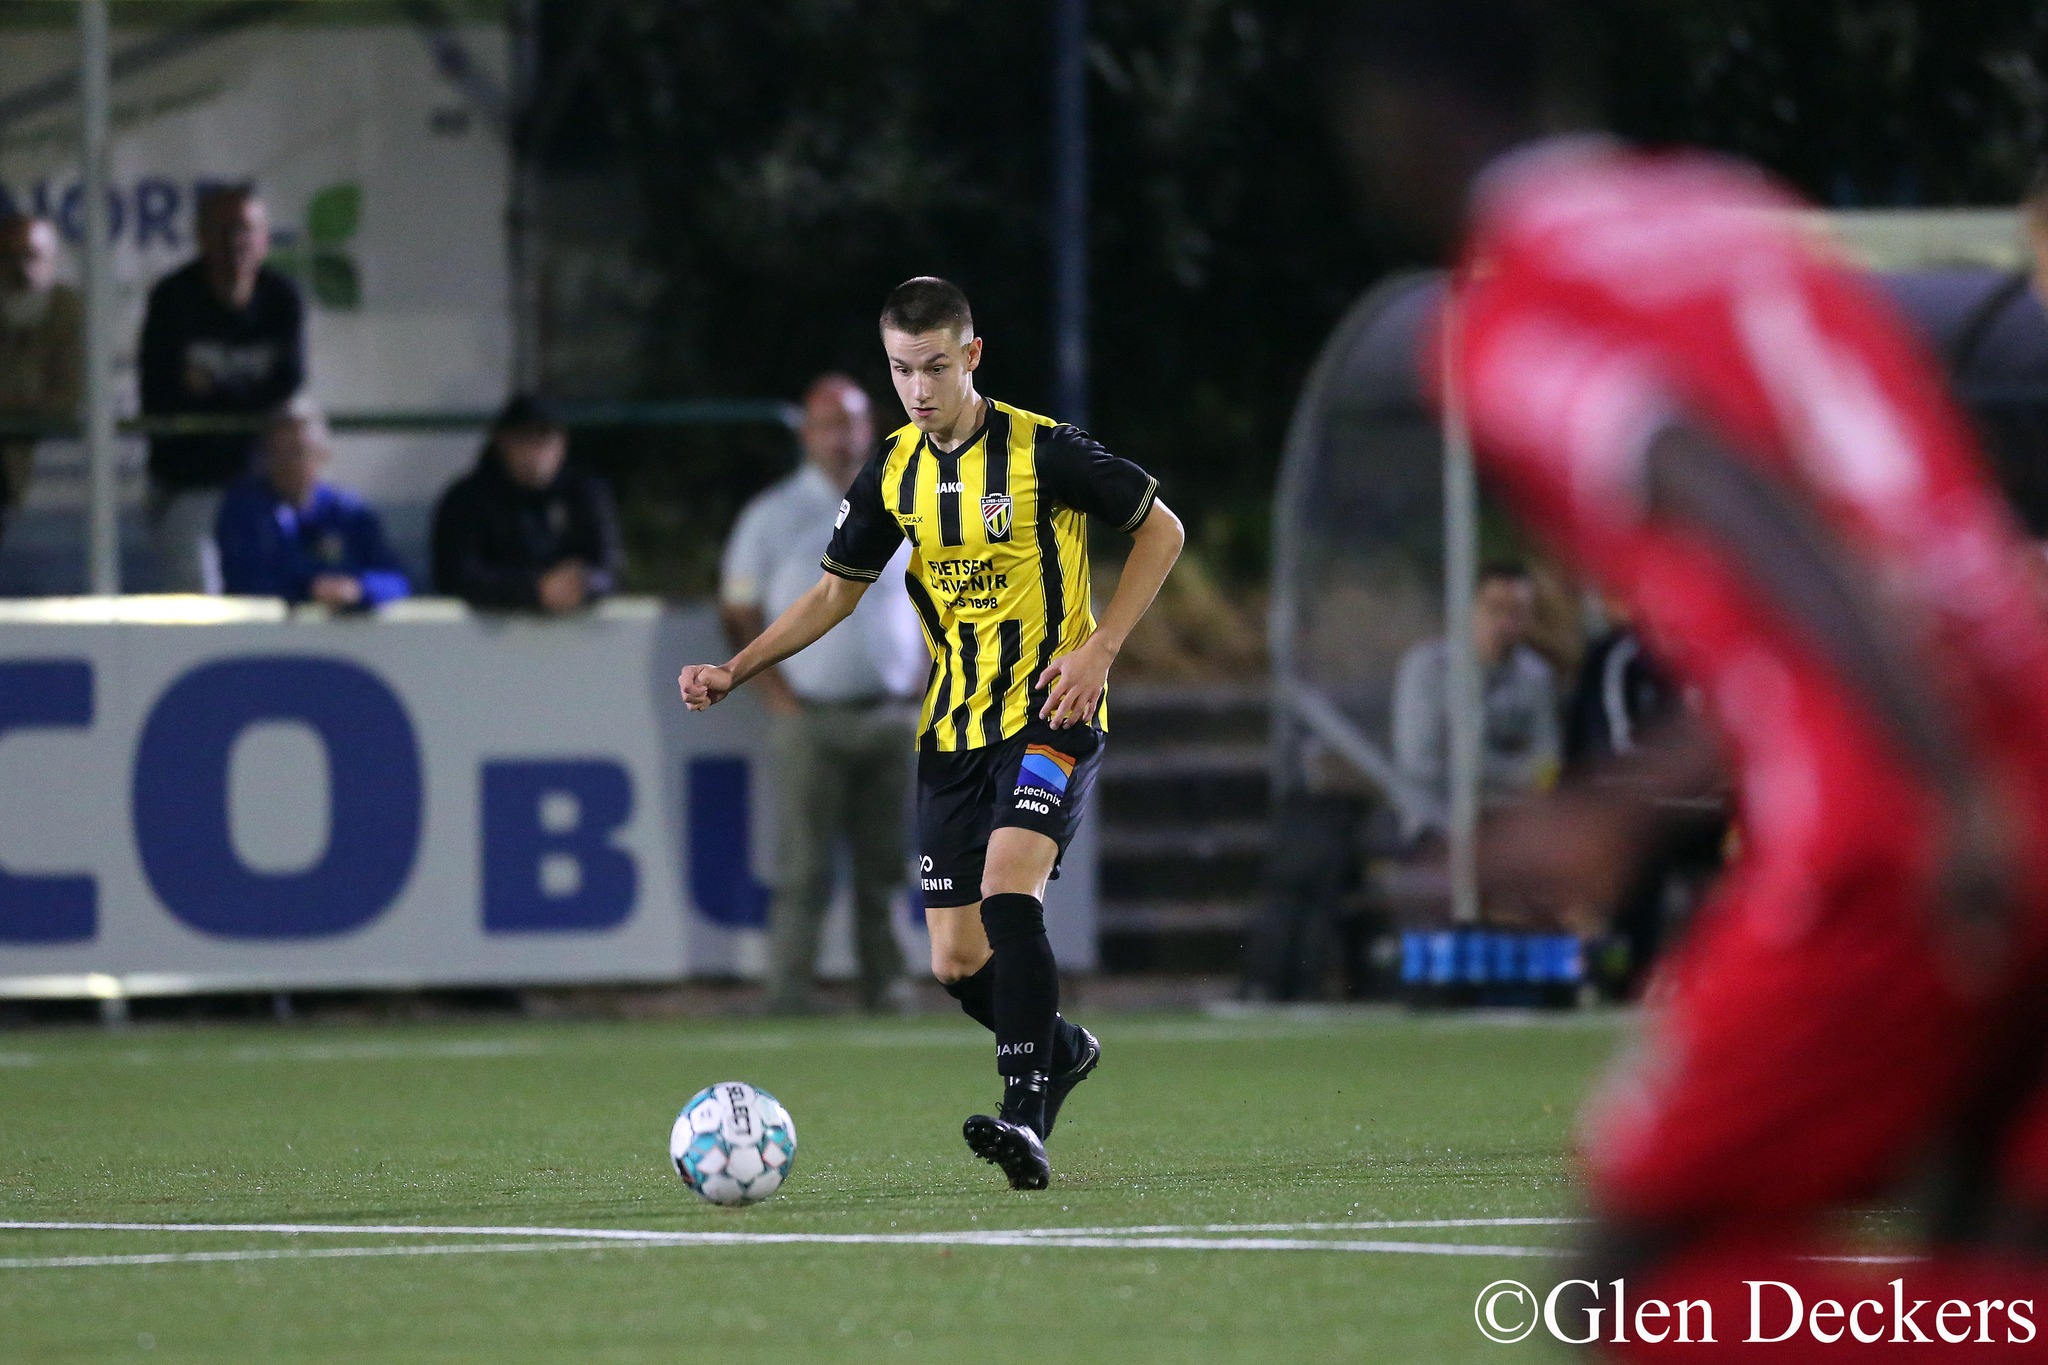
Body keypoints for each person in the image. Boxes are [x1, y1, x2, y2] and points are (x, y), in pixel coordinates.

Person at [1328, 3, 2048, 1352]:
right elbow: (1898, 535)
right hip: (2019, 729)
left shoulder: (1510, 309)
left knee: (1620, 1283)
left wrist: (1947, 788)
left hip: (1906, 819)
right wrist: (1640, 791)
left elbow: (1720, 480)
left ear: (1402, 122)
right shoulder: (1734, 210)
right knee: (1982, 1240)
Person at [679, 277, 1185, 1190]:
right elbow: (836, 591)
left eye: (936, 367)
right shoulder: (892, 469)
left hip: (1051, 709)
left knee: (1007, 891)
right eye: (903, 369)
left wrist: (1100, 649)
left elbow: (1163, 529)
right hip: (953, 725)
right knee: (956, 963)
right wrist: (736, 668)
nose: (920, 387)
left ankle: (1025, 1108)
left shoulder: (1045, 451)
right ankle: (1059, 1046)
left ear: (973, 356)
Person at [720, 375, 926, 1015]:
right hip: (809, 716)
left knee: (886, 864)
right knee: (804, 867)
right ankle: (788, 993)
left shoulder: (902, 503)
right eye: (830, 424)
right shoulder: (774, 513)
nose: (843, 438)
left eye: (853, 423)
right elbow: (737, 607)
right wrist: (775, 692)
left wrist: (924, 679)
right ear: (807, 434)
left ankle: (886, 988)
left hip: (891, 712)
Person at [138, 185, 306, 592]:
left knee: (271, 591)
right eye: (223, 229)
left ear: (265, 238)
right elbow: (160, 395)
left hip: (257, 481)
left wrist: (210, 389)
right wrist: (246, 400)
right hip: (186, 480)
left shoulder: (281, 297)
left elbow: (288, 384)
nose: (236, 242)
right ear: (200, 237)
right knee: (199, 601)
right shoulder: (174, 297)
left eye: (246, 230)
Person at [1390, 561, 1560, 841]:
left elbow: (1547, 767)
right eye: (1494, 608)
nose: (1504, 622)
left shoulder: (1536, 675)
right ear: (1469, 608)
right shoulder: (1427, 668)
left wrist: (1474, 766)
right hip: (1440, 822)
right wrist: (1516, 771)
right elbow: (1422, 765)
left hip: (1513, 824)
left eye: (1516, 612)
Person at [431, 392, 623, 612]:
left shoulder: (585, 492)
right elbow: (455, 576)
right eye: (524, 439)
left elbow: (611, 569)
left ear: (562, 444)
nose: (537, 452)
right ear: (502, 443)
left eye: (545, 439)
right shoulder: (467, 499)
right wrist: (533, 590)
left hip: (576, 635)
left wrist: (582, 583)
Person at [214, 399, 409, 609]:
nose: (292, 465)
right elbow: (246, 583)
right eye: (281, 453)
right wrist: (309, 589)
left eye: (301, 452)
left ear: (324, 453)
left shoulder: (348, 512)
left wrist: (360, 590)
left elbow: (397, 580)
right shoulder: (244, 510)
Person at [0, 213, 81, 549]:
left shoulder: (68, 310)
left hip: (63, 476)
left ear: (52, 261)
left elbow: (68, 396)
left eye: (31, 257)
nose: (21, 270)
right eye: (9, 258)